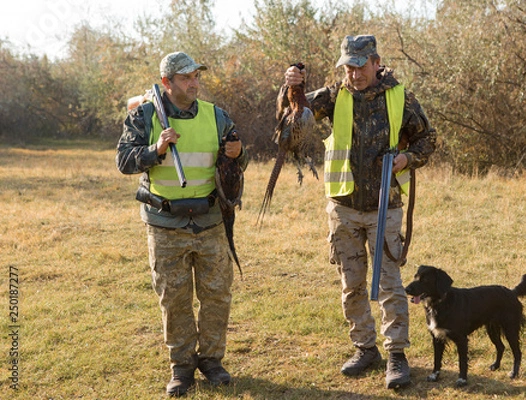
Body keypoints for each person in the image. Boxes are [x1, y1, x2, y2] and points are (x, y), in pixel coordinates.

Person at [281, 35, 436, 389]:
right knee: (351, 285)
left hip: (386, 206)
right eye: (348, 67)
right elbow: (296, 124)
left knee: (391, 285)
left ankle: (396, 354)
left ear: (376, 62)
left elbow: (429, 138)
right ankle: (365, 349)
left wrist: (406, 158)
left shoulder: (401, 96)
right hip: (344, 207)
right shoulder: (334, 96)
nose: (353, 73)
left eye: (360, 65)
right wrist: (291, 89)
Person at [116, 51, 248, 397]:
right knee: (174, 300)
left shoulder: (216, 115)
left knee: (217, 295)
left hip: (210, 221)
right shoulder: (144, 116)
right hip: (165, 224)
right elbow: (123, 161)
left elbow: (236, 156)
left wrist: (237, 153)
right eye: (186, 78)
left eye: (196, 77)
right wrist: (155, 149)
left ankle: (213, 361)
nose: (194, 83)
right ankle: (182, 367)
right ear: (167, 83)